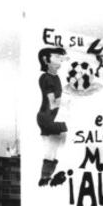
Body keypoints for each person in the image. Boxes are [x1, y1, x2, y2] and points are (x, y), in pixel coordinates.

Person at [36, 47, 68, 186]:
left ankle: (46, 177)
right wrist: (68, 99)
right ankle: (46, 177)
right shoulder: (46, 78)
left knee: (54, 148)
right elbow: (53, 103)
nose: (60, 60)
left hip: (51, 116)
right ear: (45, 60)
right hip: (47, 116)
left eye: (60, 58)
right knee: (55, 146)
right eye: (56, 57)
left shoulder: (57, 77)